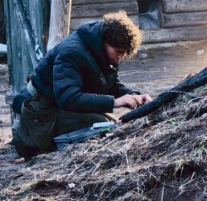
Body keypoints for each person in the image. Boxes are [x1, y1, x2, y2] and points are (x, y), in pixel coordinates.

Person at [11, 12, 150, 158]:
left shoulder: (101, 51)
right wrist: (115, 102)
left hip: (60, 104)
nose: (121, 57)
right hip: (41, 110)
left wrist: (134, 96)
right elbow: (68, 98)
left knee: (110, 126)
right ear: (105, 41)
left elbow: (110, 84)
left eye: (125, 53)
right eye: (119, 52)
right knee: (104, 128)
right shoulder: (72, 52)